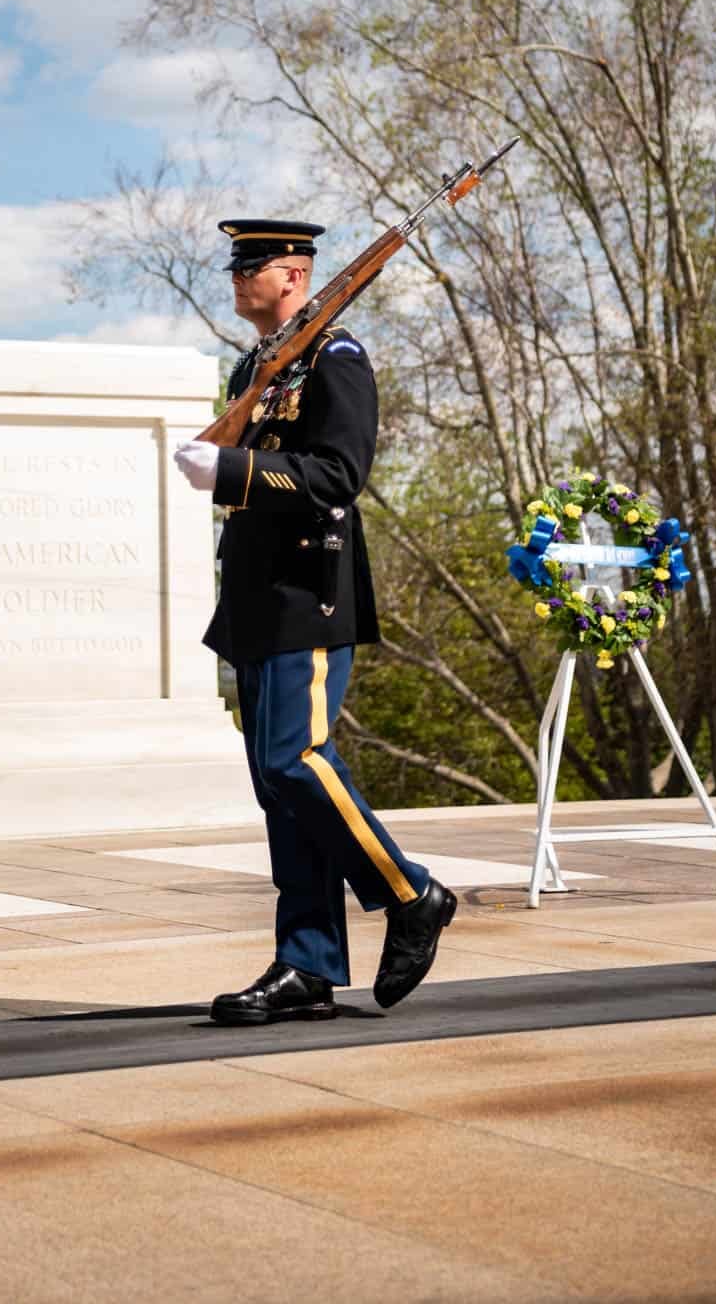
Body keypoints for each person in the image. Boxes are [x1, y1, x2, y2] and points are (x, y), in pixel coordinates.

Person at [173, 216, 456, 1025]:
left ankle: (412, 893)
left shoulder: (335, 358)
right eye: (235, 264)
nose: (236, 276)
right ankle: (307, 964)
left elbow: (338, 473)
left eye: (251, 264)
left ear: (295, 275)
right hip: (258, 597)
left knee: (297, 760)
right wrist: (228, 474)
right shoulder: (255, 366)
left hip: (309, 593)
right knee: (279, 788)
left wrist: (235, 466)